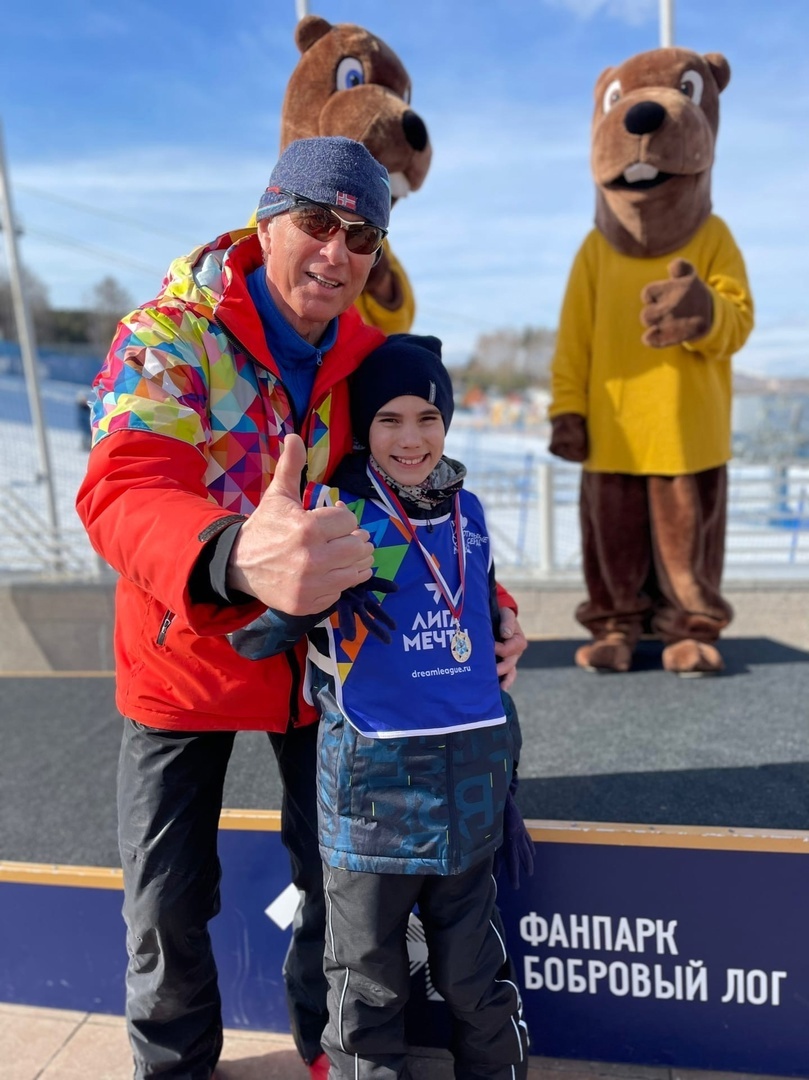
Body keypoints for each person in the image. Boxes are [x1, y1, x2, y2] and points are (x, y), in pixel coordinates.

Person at [75, 136, 528, 1080]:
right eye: (317, 222)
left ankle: (324, 1053)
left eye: (361, 237)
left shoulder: (367, 357)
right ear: (268, 221)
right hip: (182, 655)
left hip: (323, 669)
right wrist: (234, 554)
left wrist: (486, 605)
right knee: (165, 899)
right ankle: (174, 1067)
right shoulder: (170, 334)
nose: (335, 251)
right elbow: (123, 486)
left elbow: (414, 499)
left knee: (333, 884)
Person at [231, 334, 534, 1080]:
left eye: (428, 418)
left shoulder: (467, 510)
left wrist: (504, 619)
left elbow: (471, 597)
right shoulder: (336, 512)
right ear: (365, 428)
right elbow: (258, 632)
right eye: (390, 419)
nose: (411, 438)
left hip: (469, 784)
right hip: (372, 790)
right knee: (367, 986)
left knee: (474, 976)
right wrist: (288, 601)